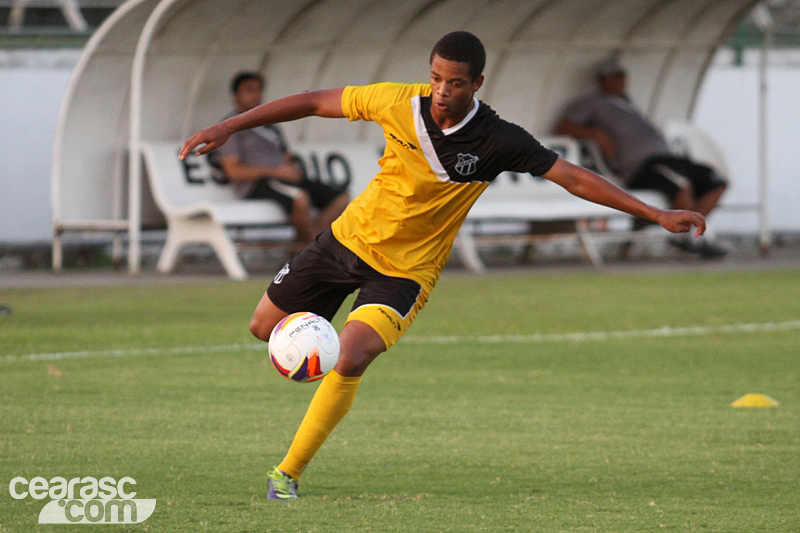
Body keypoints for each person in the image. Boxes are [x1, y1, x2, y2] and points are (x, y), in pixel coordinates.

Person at [181, 32, 706, 500]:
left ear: (477, 82)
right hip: (344, 241)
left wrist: (655, 212)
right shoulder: (395, 102)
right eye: (435, 78)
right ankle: (306, 347)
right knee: (261, 327)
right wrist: (230, 125)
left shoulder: (499, 139)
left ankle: (287, 473)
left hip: (405, 272)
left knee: (352, 355)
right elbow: (316, 101)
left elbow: (573, 177)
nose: (441, 91)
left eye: (454, 83)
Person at [554, 58, 728, 259]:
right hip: (641, 167)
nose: (619, 81)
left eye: (621, 76)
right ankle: (686, 239)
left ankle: (692, 236)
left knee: (715, 181)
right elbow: (564, 127)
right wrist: (596, 135)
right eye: (613, 77)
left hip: (666, 159)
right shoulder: (592, 103)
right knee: (681, 183)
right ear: (601, 80)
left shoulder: (627, 103)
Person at [214, 71, 350, 246]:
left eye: (259, 90)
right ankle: (314, 250)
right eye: (249, 90)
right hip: (259, 183)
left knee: (340, 198)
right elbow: (233, 170)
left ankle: (309, 247)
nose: (256, 95)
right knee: (300, 198)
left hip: (286, 178)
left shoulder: (269, 126)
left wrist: (290, 166)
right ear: (235, 95)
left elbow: (285, 155)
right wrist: (275, 171)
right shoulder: (231, 127)